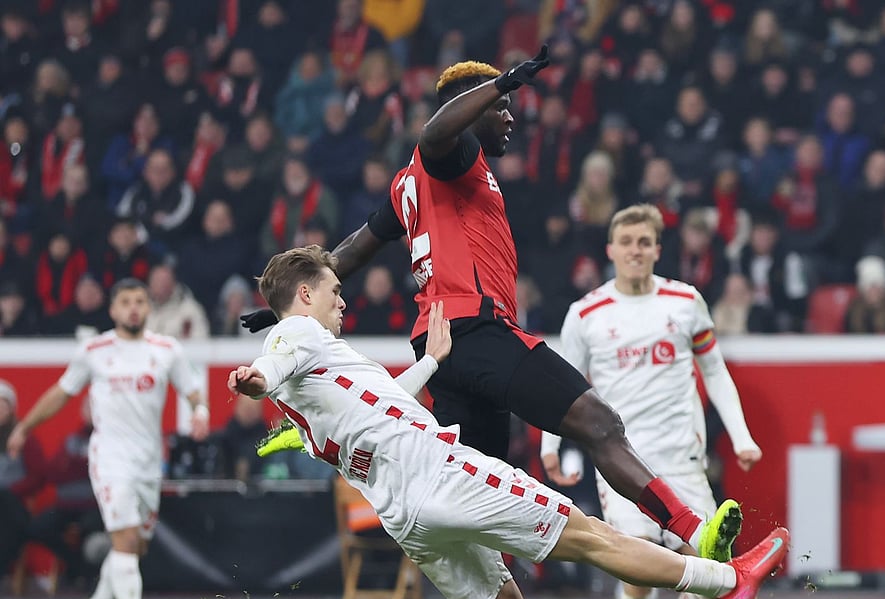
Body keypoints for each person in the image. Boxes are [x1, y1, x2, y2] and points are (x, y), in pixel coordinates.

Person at [241, 48, 743, 561]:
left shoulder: (407, 183)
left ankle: (493, 593)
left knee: (482, 493)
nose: (509, 119)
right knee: (600, 424)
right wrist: (501, 83)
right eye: (502, 109)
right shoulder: (454, 155)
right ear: (471, 108)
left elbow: (351, 249)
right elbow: (433, 136)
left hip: (439, 346)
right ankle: (694, 531)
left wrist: (284, 304)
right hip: (475, 330)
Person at [233, 246, 789, 599]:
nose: (342, 301)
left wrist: (431, 362)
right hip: (441, 474)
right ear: (304, 294)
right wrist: (256, 378)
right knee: (590, 535)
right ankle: (727, 579)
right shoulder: (298, 333)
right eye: (334, 290)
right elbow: (274, 360)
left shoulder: (310, 391)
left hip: (404, 514)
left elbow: (381, 406)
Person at [539, 205, 763, 599]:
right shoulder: (586, 314)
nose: (635, 251)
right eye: (626, 242)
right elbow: (558, 389)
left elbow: (714, 371)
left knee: (714, 571)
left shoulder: (685, 301)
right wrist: (549, 448)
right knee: (637, 578)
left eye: (644, 242)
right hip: (623, 465)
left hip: (683, 460)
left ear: (658, 249)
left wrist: (741, 437)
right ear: (611, 250)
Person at [6, 278, 210, 599]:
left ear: (148, 308)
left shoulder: (167, 350)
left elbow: (192, 388)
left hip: (149, 461)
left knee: (134, 547)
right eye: (125, 302)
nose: (133, 308)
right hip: (111, 458)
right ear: (113, 310)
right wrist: (24, 427)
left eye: (139, 301)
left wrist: (200, 411)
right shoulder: (94, 350)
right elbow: (61, 393)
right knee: (126, 540)